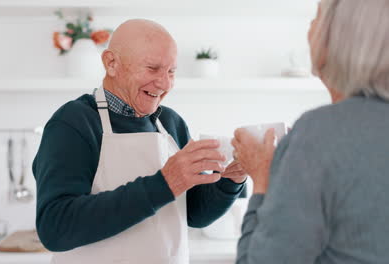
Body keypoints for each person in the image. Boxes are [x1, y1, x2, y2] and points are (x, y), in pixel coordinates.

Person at [33, 19, 247, 264]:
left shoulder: (171, 123)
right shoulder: (73, 123)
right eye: (153, 68)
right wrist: (165, 184)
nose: (165, 83)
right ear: (111, 63)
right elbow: (55, 228)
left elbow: (194, 214)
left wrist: (231, 179)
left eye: (171, 72)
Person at [232, 0, 389, 263]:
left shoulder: (319, 132)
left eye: (316, 19)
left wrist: (263, 177)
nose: (309, 29)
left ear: (336, 40)